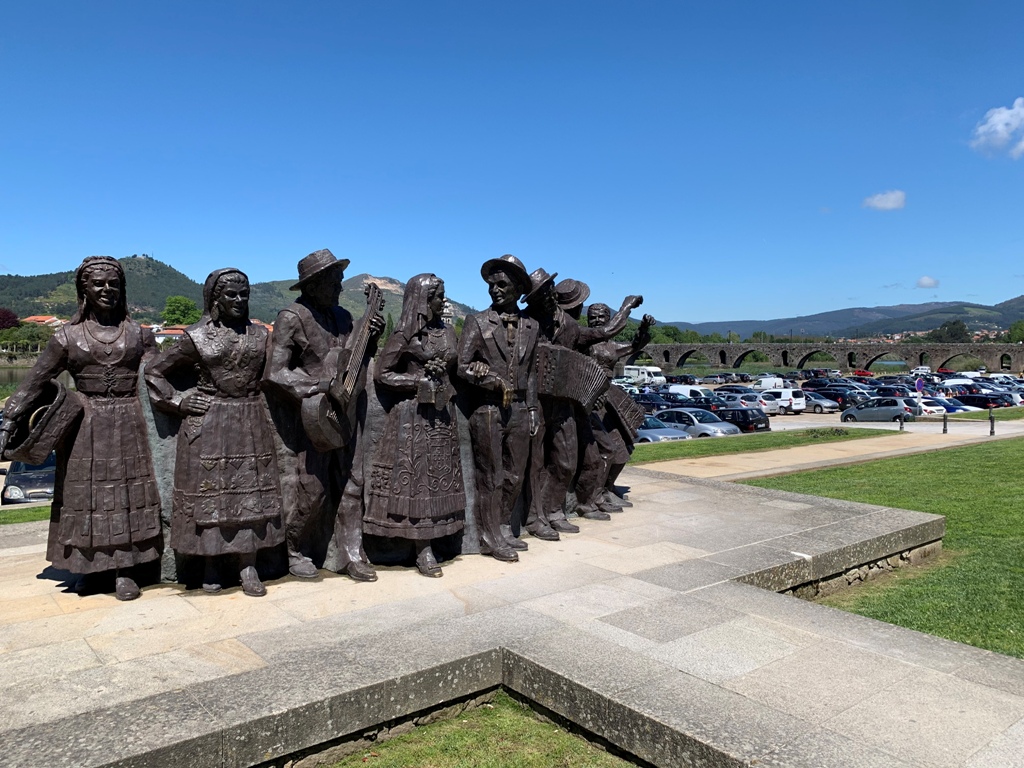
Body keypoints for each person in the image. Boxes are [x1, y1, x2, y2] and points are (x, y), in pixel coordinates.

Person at [0, 256, 162, 601]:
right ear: (84, 290)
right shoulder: (66, 337)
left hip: (130, 420)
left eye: (113, 283)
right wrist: (10, 418)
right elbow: (34, 381)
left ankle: (125, 568)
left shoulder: (140, 334)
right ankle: (89, 566)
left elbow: (160, 376)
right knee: (86, 495)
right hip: (85, 424)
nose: (107, 289)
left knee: (126, 494)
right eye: (98, 284)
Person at [146, 268, 284, 597]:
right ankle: (211, 565)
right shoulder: (196, 336)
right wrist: (178, 401)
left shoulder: (260, 335)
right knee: (212, 497)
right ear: (215, 299)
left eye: (244, 294)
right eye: (231, 294)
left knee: (249, 495)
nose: (239, 300)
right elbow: (155, 371)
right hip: (210, 421)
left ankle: (248, 566)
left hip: (250, 418)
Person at [264, 249, 384, 582]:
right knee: (312, 490)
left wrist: (371, 337)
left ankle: (352, 555)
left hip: (348, 411)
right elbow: (275, 372)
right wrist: (318, 384)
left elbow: (353, 360)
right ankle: (294, 549)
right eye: (334, 282)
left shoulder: (344, 316)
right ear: (313, 284)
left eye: (340, 281)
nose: (340, 288)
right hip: (313, 413)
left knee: (353, 483)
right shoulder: (291, 317)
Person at [524, 275, 641, 534]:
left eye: (549, 293)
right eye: (542, 295)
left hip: (565, 402)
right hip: (537, 402)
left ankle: (554, 510)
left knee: (566, 462)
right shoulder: (528, 322)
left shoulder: (569, 325)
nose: (548, 298)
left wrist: (626, 307)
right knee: (536, 464)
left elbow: (605, 333)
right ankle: (537, 517)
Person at [366, 274, 465, 577]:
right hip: (414, 416)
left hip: (442, 413)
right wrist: (416, 381)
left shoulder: (447, 331)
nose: (443, 301)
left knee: (440, 478)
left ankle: (441, 536)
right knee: (418, 483)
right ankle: (422, 549)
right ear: (424, 300)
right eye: (438, 296)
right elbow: (383, 373)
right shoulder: (404, 335)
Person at [457, 254, 540, 562]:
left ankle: (504, 526)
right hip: (488, 409)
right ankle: (488, 536)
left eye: (502, 284)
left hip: (519, 409)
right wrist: (487, 376)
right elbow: (462, 366)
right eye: (492, 285)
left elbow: (531, 372)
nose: (495, 290)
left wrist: (532, 409)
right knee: (490, 476)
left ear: (518, 287)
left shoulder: (531, 325)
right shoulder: (477, 322)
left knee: (514, 475)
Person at [576, 305, 655, 515]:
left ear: (608, 318)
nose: (597, 320)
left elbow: (634, 346)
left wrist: (644, 328)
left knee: (623, 447)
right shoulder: (584, 343)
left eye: (601, 317)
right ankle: (597, 494)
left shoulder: (611, 347)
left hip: (608, 398)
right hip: (590, 399)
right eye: (592, 317)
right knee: (606, 449)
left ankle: (607, 488)